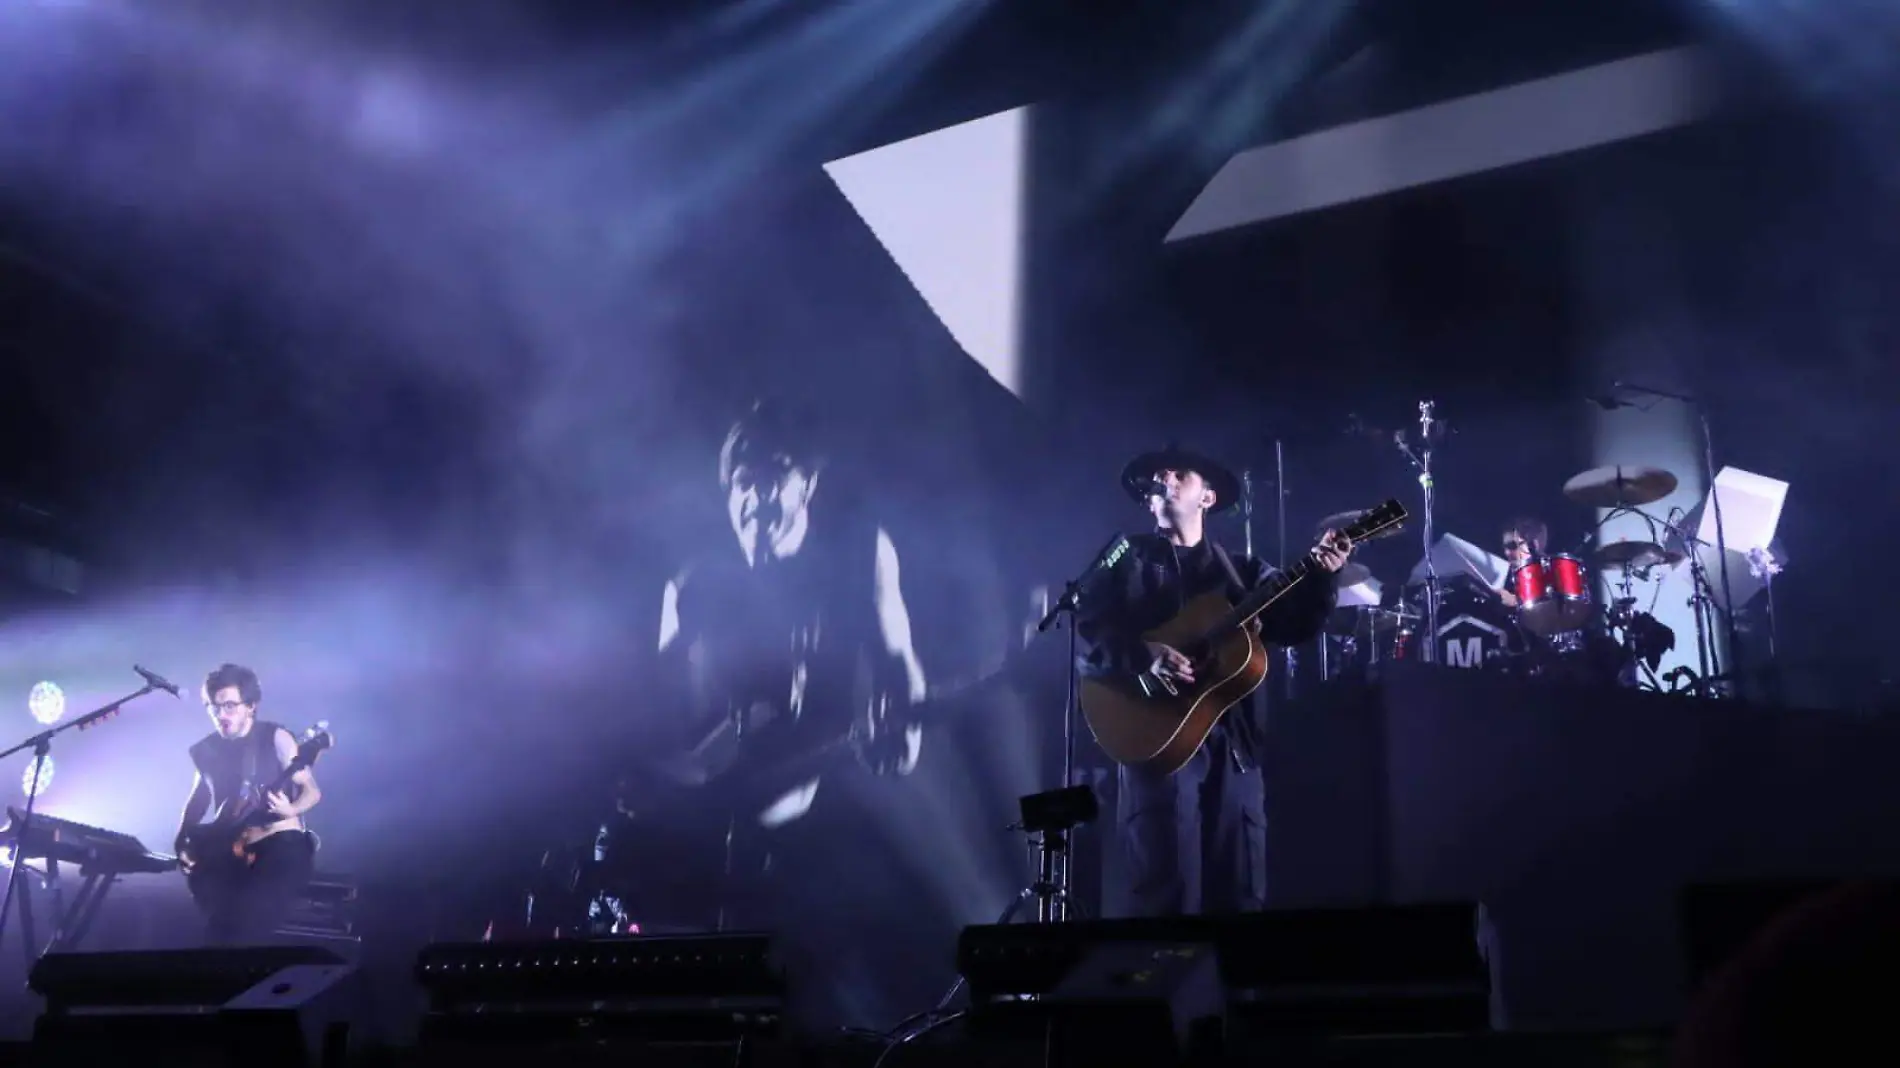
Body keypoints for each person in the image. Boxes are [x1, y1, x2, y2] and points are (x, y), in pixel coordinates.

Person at [1076, 446, 1351, 916]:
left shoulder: (1242, 572)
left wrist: (1325, 577)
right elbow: (1088, 632)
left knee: (1240, 895)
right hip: (1157, 741)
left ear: (1208, 497)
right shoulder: (1125, 562)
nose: (1165, 479)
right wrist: (1144, 655)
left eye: (1179, 473)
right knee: (1168, 898)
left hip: (1233, 745)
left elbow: (1295, 625)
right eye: (1158, 477)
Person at [174, 663, 321, 945]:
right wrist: (182, 839)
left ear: (251, 706)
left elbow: (311, 792)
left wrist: (290, 809)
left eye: (230, 706)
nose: (221, 715)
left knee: (243, 922)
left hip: (279, 846)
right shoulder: (206, 750)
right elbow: (198, 800)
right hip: (228, 849)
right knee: (213, 917)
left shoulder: (275, 737)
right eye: (213, 707)